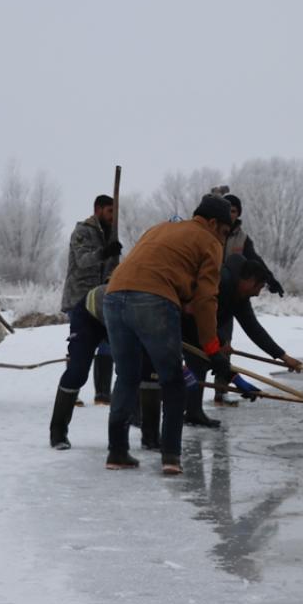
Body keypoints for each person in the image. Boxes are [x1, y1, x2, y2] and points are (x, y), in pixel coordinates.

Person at [101, 195, 234, 475]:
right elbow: (206, 299)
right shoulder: (209, 241)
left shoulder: (160, 228)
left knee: (126, 376)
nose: (223, 239)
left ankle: (117, 451)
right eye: (224, 231)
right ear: (212, 222)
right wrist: (213, 349)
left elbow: (162, 270)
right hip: (154, 300)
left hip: (113, 296)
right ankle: (171, 456)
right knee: (173, 380)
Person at [184, 255, 303, 427]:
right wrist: (235, 378)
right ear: (250, 280)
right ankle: (151, 420)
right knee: (181, 368)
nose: (257, 293)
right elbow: (199, 316)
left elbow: (253, 329)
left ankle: (193, 411)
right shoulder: (221, 282)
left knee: (203, 361)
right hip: (182, 319)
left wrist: (282, 356)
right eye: (260, 287)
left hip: (201, 326)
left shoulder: (240, 296)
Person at [47, 284, 162, 451]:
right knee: (77, 372)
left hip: (122, 316)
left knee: (151, 370)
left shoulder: (162, 305)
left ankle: (151, 437)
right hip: (90, 314)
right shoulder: (141, 303)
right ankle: (57, 432)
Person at [213, 194, 284, 407]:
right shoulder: (212, 231)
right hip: (210, 292)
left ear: (238, 213)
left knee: (222, 344)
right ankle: (193, 400)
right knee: (207, 344)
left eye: (234, 210)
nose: (231, 214)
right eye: (228, 210)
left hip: (232, 296)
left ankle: (221, 391)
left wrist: (271, 280)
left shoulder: (242, 238)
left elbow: (255, 262)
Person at [60, 195, 122, 406]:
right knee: (79, 345)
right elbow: (83, 260)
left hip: (102, 299)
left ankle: (103, 394)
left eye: (115, 212)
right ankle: (71, 391)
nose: (113, 216)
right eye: (110, 211)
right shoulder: (82, 232)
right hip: (79, 298)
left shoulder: (111, 233)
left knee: (107, 344)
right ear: (98, 210)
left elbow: (113, 267)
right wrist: (104, 252)